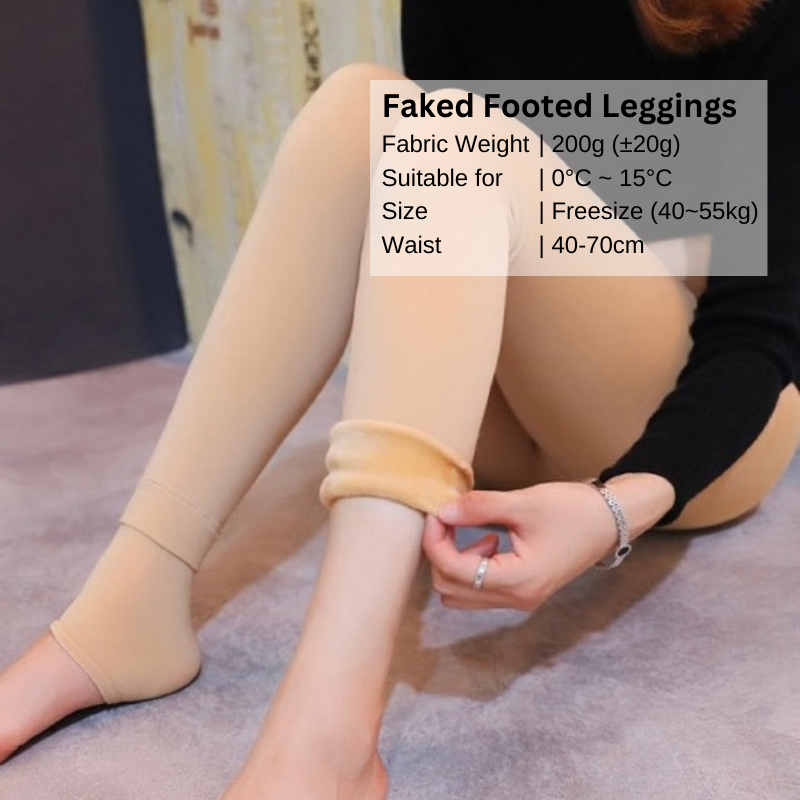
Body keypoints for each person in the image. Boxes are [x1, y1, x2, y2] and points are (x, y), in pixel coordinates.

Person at [0, 0, 797, 797]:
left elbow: (760, 329)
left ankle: (329, 737)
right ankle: (129, 604)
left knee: (452, 139)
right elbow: (431, 228)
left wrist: (616, 507)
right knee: (361, 108)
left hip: (697, 421)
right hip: (514, 415)